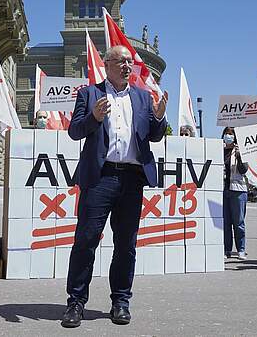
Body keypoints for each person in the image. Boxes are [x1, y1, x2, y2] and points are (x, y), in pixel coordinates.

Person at [61, 45, 168, 328]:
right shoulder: (89, 94)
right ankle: (75, 302)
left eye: (130, 62)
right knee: (86, 239)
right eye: (121, 61)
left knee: (125, 244)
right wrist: (94, 117)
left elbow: (154, 137)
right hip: (100, 178)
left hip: (132, 179)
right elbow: (75, 131)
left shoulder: (144, 98)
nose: (127, 66)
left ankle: (120, 301)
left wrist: (158, 117)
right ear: (107, 64)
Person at [222, 127, 248, 260]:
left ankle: (241, 249)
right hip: (223, 189)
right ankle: (227, 249)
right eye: (226, 133)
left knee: (238, 222)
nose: (228, 136)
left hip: (238, 190)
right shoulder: (218, 149)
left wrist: (239, 155)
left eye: (231, 134)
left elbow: (244, 170)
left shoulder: (241, 150)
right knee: (225, 222)